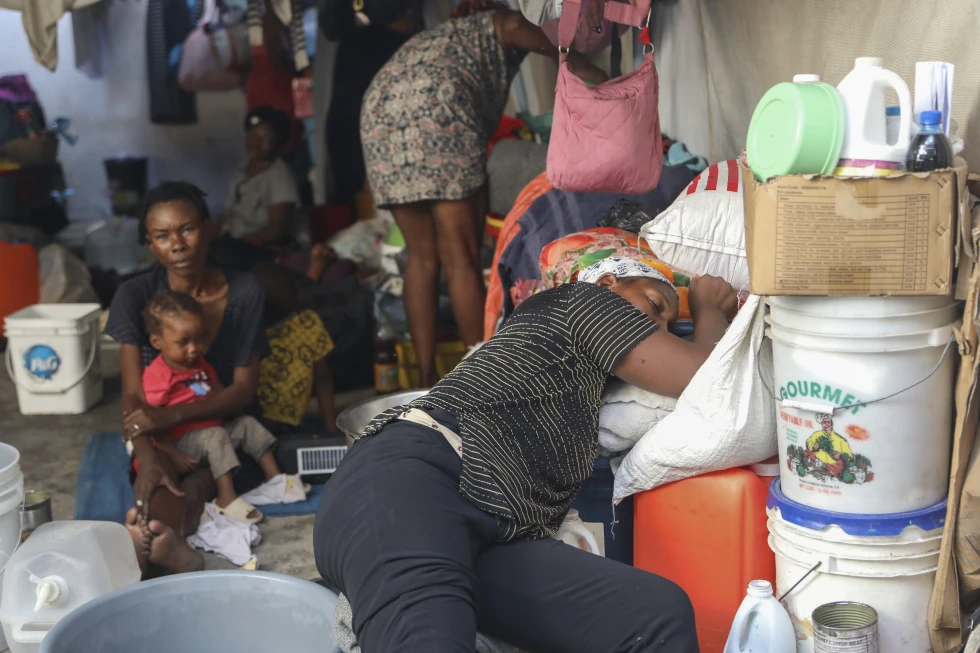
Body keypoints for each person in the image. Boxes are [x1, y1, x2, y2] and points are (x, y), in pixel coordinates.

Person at [313, 256, 738, 652]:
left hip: (488, 526)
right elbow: (703, 376)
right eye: (654, 304)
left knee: (657, 613)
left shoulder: (571, 373)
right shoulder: (581, 301)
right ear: (609, 283)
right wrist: (708, 310)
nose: (659, 328)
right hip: (412, 485)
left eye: (667, 323)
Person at [359, 0, 606, 387]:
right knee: (460, 256)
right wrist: (579, 62)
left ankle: (425, 379)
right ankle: (480, 373)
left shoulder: (441, 37)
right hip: (438, 109)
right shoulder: (494, 24)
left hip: (379, 114)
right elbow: (510, 26)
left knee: (421, 258)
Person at [104, 181, 270, 575]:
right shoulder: (134, 296)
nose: (176, 244)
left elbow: (244, 390)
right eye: (162, 235)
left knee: (202, 473)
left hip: (222, 426)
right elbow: (132, 396)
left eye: (188, 229)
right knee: (159, 471)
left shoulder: (244, 291)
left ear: (210, 228)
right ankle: (162, 543)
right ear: (150, 243)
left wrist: (170, 418)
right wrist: (146, 450)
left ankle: (162, 543)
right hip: (156, 431)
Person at [141, 290, 290, 525]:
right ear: (157, 342)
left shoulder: (199, 364)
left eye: (198, 339)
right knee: (215, 435)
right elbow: (152, 422)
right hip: (184, 443)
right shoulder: (158, 375)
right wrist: (173, 454)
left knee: (247, 423)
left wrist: (232, 410)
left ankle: (275, 480)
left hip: (214, 436)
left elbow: (220, 393)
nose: (193, 348)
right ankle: (226, 497)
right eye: (183, 342)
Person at [210, 106, 301, 271]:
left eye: (265, 137)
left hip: (266, 248)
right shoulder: (241, 170)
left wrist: (240, 241)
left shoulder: (280, 176)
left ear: (278, 142)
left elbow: (276, 230)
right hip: (233, 243)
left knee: (219, 258)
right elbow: (226, 216)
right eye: (252, 135)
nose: (255, 142)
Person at [251, 262, 338, 433]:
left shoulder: (307, 323)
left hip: (292, 423)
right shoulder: (249, 332)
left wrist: (332, 429)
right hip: (256, 423)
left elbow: (323, 378)